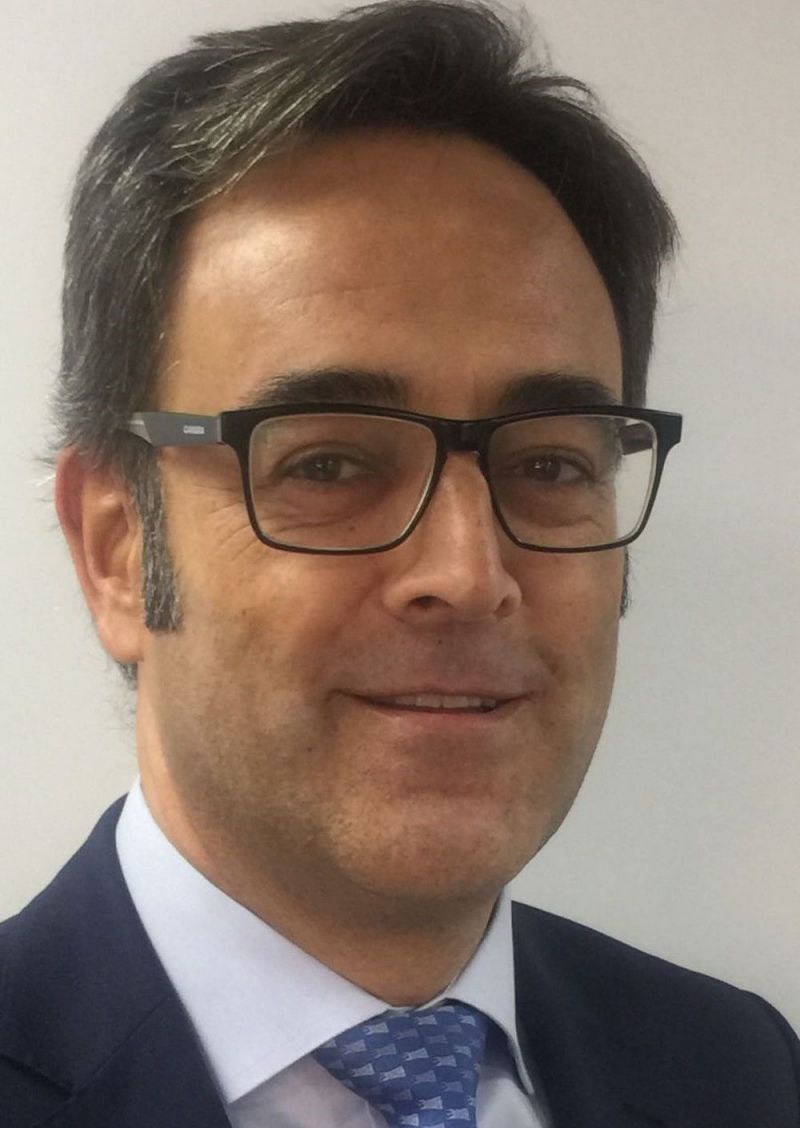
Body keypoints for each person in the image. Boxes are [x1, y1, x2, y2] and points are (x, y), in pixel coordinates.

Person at [1, 2, 797, 1125]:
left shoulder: (739, 1069)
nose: (469, 573)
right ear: (115, 548)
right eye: (327, 464)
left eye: (550, 464)